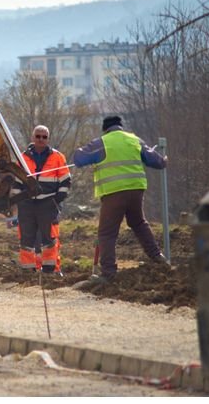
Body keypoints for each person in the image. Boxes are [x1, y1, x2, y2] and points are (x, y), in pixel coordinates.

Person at [72, 115, 168, 288]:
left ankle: (108, 273)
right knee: (138, 223)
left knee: (107, 233)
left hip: (113, 193)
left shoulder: (102, 142)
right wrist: (164, 160)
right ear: (120, 127)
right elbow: (157, 161)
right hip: (136, 190)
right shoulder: (134, 139)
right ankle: (158, 257)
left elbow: (78, 158)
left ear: (105, 129)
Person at [11, 125, 71, 274]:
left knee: (49, 238)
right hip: (27, 203)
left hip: (48, 203)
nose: (41, 139)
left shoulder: (58, 157)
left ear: (48, 139)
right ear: (33, 138)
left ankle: (49, 270)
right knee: (26, 238)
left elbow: (66, 181)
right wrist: (19, 201)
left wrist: (57, 199)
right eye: (38, 136)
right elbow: (16, 182)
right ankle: (28, 270)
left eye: (44, 137)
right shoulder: (22, 158)